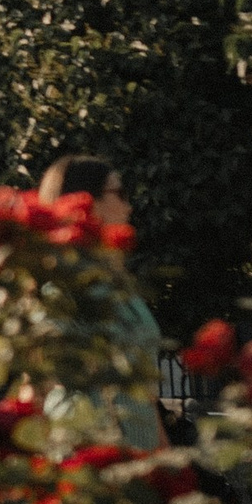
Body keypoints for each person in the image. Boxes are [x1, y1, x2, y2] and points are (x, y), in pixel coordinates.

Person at [35, 152, 167, 453]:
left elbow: (143, 389)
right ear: (86, 201)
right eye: (120, 193)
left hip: (137, 448)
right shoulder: (63, 287)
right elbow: (43, 380)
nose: (129, 206)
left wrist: (164, 454)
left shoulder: (118, 283)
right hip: (87, 450)